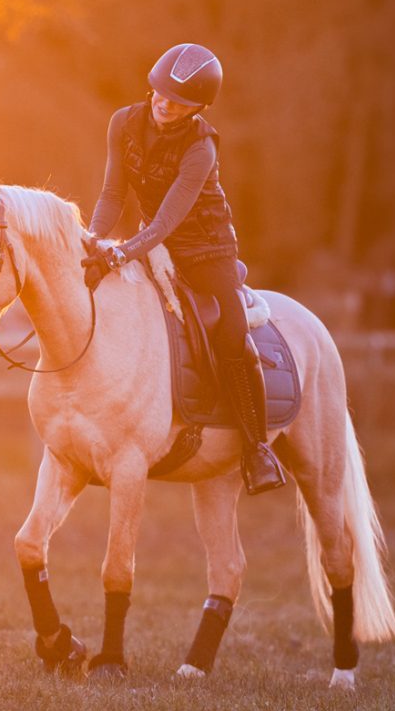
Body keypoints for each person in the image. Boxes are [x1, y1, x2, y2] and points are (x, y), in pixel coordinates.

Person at [81, 42, 284, 495]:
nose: (163, 102)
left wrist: (123, 252)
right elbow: (113, 194)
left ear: (199, 107)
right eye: (159, 91)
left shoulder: (201, 148)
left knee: (232, 334)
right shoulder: (123, 123)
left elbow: (169, 220)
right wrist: (95, 241)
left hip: (207, 250)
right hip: (150, 243)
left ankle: (257, 448)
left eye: (177, 100)